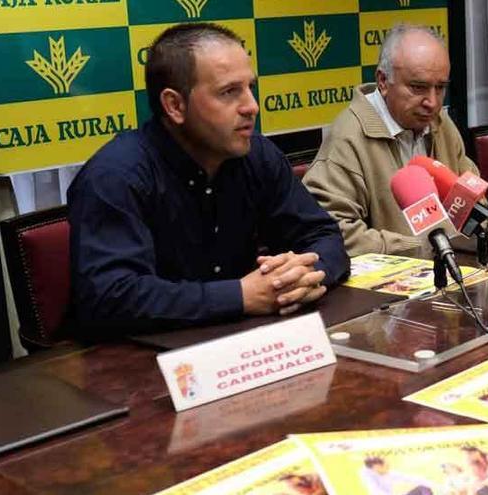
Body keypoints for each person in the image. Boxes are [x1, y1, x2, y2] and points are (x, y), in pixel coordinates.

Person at [68, 23, 349, 334]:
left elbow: (324, 235)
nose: (251, 107)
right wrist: (240, 296)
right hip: (137, 360)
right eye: (229, 92)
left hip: (241, 342)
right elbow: (111, 296)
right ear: (174, 105)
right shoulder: (116, 176)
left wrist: (306, 275)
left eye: (250, 88)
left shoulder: (259, 156)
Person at [302, 24, 480, 256]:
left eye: (440, 88)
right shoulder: (348, 137)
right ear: (383, 81)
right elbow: (331, 232)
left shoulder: (440, 122)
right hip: (389, 285)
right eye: (418, 87)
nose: (433, 102)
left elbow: (472, 193)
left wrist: (467, 234)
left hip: (452, 266)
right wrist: (419, 247)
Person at [360, 456, 433, 495]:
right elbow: (376, 491)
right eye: (387, 466)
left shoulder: (389, 473)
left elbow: (410, 478)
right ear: (377, 467)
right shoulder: (368, 477)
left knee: (423, 487)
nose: (389, 468)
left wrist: (435, 485)